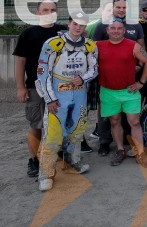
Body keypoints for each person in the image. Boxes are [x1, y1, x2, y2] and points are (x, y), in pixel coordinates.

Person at [35, 13, 99, 192]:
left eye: (82, 25)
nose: (78, 28)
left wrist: (83, 78)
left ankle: (73, 163)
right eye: (75, 24)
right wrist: (49, 99)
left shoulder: (90, 45)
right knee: (54, 133)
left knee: (78, 130)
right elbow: (42, 73)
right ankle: (45, 174)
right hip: (58, 93)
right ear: (69, 23)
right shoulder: (53, 44)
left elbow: (94, 69)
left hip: (80, 93)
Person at [13, 0, 64, 178]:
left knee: (61, 123)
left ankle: (59, 154)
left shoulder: (63, 32)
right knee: (36, 125)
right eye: (45, 9)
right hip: (36, 87)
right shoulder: (28, 34)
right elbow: (20, 61)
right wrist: (20, 87)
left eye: (52, 9)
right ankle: (33, 160)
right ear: (37, 12)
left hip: (61, 87)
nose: (49, 12)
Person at [96, 18, 147, 168]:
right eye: (113, 28)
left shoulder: (133, 45)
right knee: (114, 121)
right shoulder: (98, 46)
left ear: (124, 30)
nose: (116, 31)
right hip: (108, 91)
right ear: (107, 30)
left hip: (129, 91)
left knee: (134, 121)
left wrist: (141, 83)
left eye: (119, 28)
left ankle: (140, 153)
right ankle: (120, 150)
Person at [91, 0, 144, 156]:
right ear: (113, 8)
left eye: (124, 7)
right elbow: (93, 51)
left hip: (130, 75)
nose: (121, 10)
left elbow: (142, 46)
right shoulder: (102, 25)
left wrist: (139, 66)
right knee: (107, 114)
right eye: (118, 7)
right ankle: (104, 142)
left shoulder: (136, 25)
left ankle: (128, 141)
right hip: (107, 78)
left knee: (130, 114)